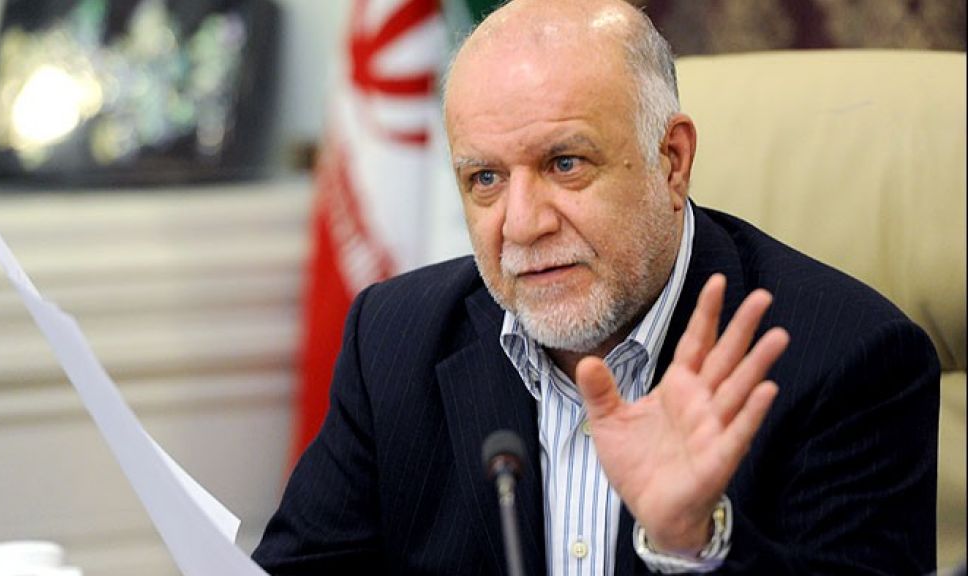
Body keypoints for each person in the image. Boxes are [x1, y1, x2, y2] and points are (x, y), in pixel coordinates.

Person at [252, 0, 940, 574]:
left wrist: (690, 543)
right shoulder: (394, 340)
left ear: (671, 160)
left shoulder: (849, 359)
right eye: (485, 179)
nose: (522, 225)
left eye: (565, 164)